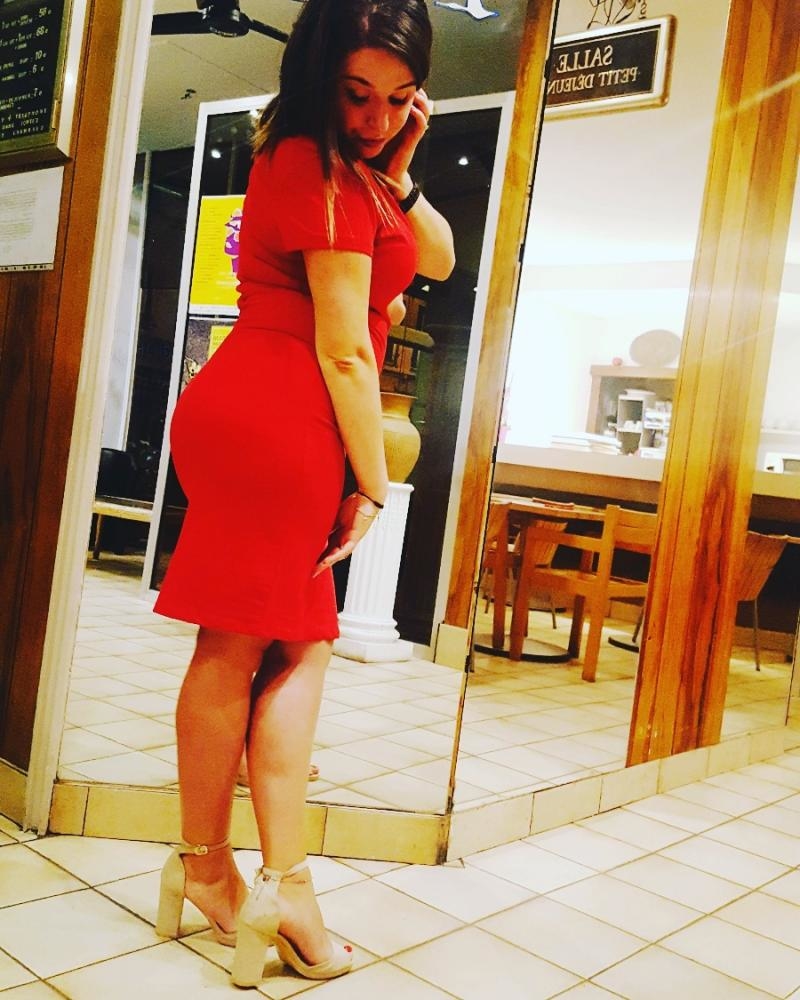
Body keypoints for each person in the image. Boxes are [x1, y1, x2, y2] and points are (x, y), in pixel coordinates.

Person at [152, 0, 454, 989]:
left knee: (279, 645)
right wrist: (374, 483)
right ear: (319, 74)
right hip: (278, 415)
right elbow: (345, 347)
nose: (374, 117)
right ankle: (248, 879)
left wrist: (401, 165)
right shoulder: (308, 165)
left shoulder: (358, 169)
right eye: (356, 93)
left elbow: (439, 258)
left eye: (398, 98)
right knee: (256, 646)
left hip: (286, 414)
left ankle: (230, 873)